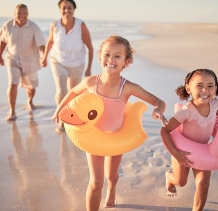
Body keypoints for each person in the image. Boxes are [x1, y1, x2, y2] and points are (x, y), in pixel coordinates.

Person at [52, 35, 168, 211]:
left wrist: (158, 111)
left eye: (117, 56)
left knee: (111, 175)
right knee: (96, 182)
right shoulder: (91, 82)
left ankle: (112, 190)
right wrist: (59, 109)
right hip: (93, 136)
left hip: (116, 137)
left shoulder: (128, 87)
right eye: (107, 54)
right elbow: (73, 92)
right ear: (100, 57)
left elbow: (158, 101)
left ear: (126, 62)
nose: (111, 60)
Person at [161, 69, 218, 211]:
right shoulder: (186, 111)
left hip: (204, 151)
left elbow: (217, 114)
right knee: (181, 182)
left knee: (203, 185)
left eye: (210, 86)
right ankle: (169, 178)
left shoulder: (214, 103)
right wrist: (176, 153)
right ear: (189, 88)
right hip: (183, 151)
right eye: (199, 85)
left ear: (216, 88)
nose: (205, 90)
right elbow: (165, 130)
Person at [41, 0, 93, 132]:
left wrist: (88, 68)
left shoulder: (81, 25)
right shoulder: (55, 24)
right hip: (58, 60)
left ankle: (72, 116)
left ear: (74, 10)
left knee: (73, 93)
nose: (66, 10)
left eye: (69, 7)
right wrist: (44, 57)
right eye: (64, 8)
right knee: (61, 91)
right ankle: (62, 120)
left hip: (77, 63)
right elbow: (50, 42)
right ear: (60, 10)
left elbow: (90, 47)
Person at [0, 4, 45, 121]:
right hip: (12, 58)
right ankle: (12, 111)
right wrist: (0, 55)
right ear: (15, 14)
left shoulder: (34, 27)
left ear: (28, 14)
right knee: (12, 83)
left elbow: (41, 44)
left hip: (30, 60)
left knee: (31, 87)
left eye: (24, 13)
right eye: (19, 13)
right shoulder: (8, 25)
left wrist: (42, 57)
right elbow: (3, 41)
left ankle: (30, 101)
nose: (21, 16)